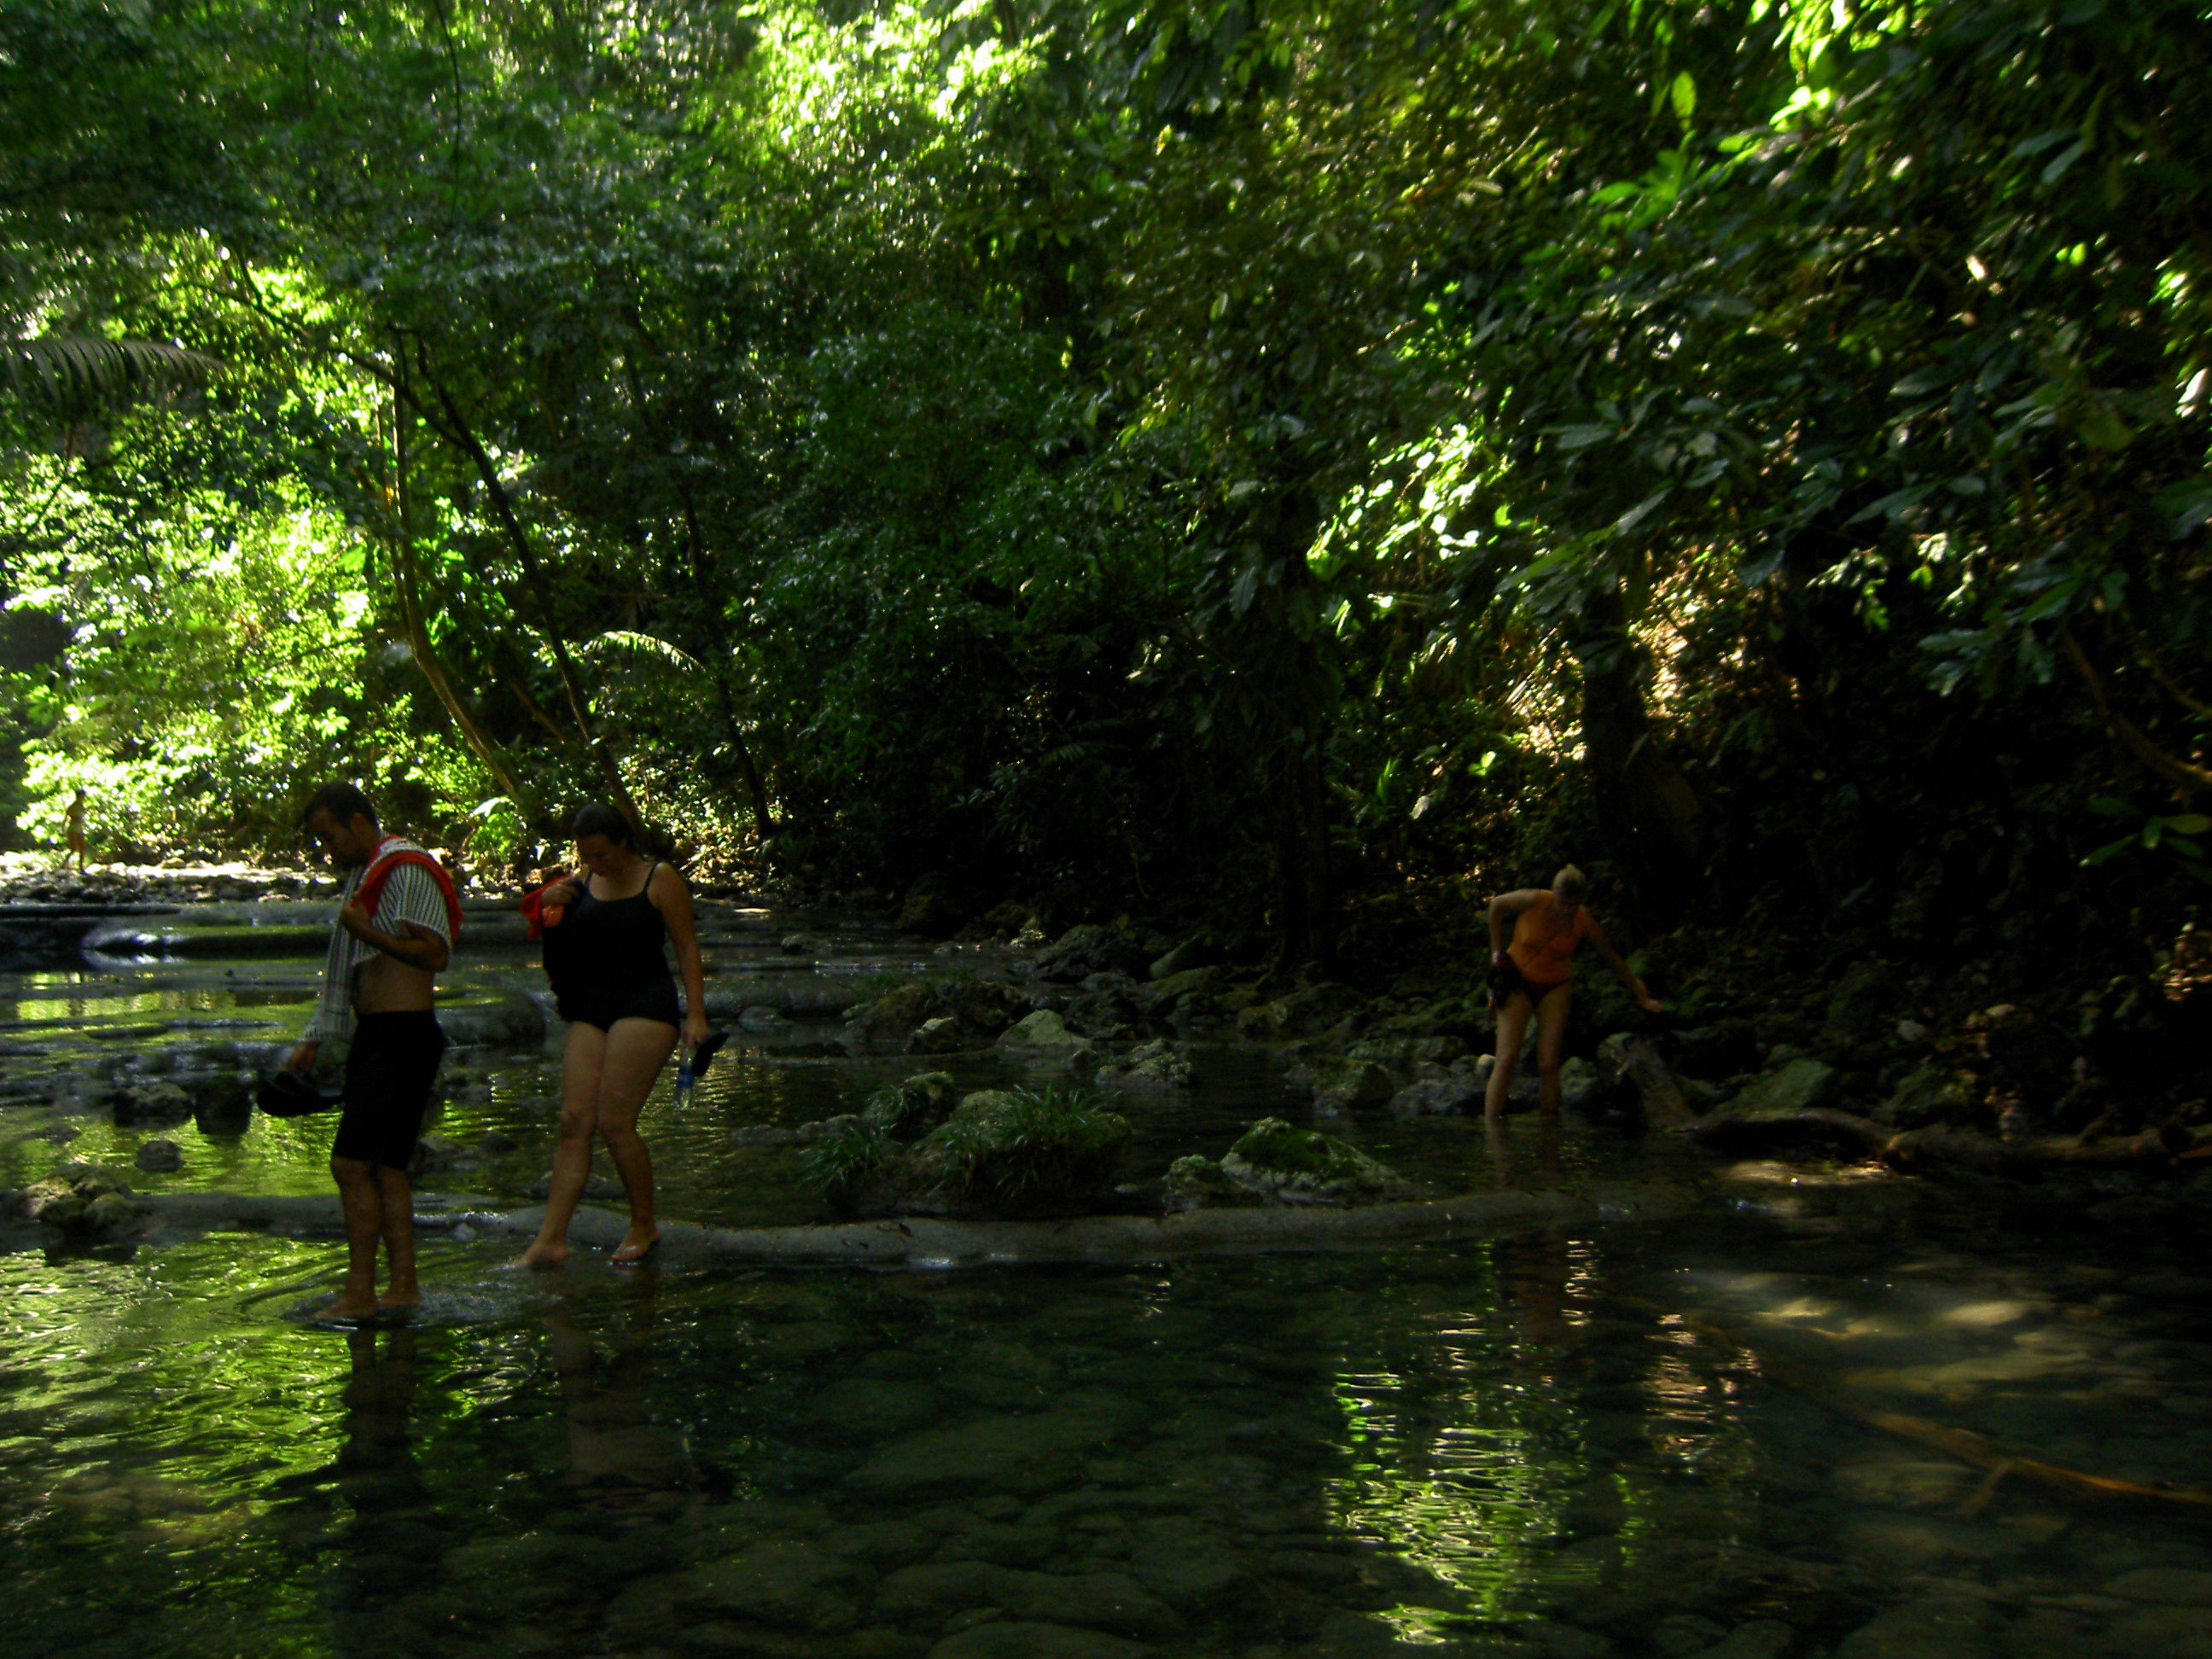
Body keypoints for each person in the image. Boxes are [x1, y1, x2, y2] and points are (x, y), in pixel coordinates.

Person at [284, 783, 461, 1321]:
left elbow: (434, 953)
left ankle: (360, 1291)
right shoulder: (367, 877)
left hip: (403, 1035)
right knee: (385, 1168)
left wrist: (366, 931)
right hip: (378, 1035)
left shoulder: (406, 868)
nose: (326, 848)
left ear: (359, 822)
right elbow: (346, 973)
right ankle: (402, 1288)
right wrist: (317, 1036)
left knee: (350, 1163)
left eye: (328, 834)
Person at [520, 804, 708, 1268]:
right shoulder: (583, 879)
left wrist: (697, 1015)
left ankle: (643, 1223)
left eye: (601, 855)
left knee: (614, 1121)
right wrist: (555, 903)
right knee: (573, 1121)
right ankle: (550, 1240)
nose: (595, 865)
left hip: (645, 1002)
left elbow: (686, 946)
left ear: (623, 842)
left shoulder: (659, 878)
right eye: (587, 856)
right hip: (592, 1005)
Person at [1482, 864, 1661, 1120]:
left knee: (1548, 1064)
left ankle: (1549, 1130)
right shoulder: (1534, 899)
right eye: (1562, 902)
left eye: (1573, 905)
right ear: (1554, 894)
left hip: (1554, 987)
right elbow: (1496, 905)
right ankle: (1491, 1130)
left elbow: (1612, 958)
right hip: (1515, 981)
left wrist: (1642, 996)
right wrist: (1496, 951)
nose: (1566, 910)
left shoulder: (1583, 920)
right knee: (1506, 1059)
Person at [64, 788, 87, 872]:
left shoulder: (81, 806)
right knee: (74, 849)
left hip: (80, 828)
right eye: (82, 796)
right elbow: (67, 818)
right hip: (73, 829)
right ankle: (64, 864)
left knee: (82, 848)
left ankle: (81, 868)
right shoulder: (73, 806)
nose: (83, 798)